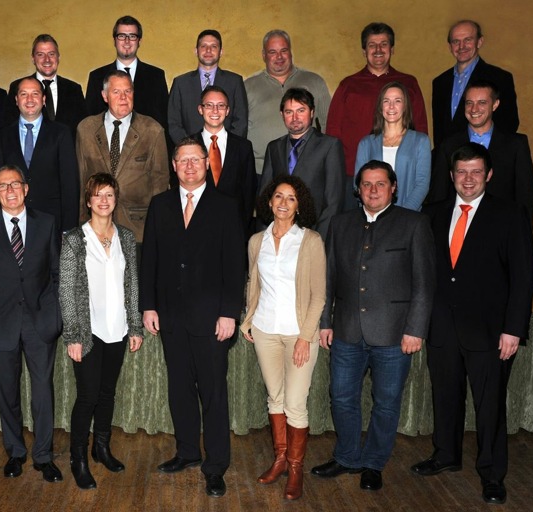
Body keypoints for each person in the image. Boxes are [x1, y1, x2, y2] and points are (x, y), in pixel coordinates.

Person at [412, 144, 533, 505]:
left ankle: (492, 474)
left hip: (491, 331)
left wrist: (514, 329)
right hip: (442, 327)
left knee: (490, 406)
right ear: (452, 176)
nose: (468, 179)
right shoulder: (431, 214)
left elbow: (523, 276)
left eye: (476, 172)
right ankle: (446, 454)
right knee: (445, 396)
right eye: (462, 172)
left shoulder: (510, 214)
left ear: (489, 175)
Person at [311, 161, 435, 491]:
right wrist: (325, 322)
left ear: (393, 187)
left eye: (380, 184)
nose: (373, 190)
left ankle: (373, 463)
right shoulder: (340, 224)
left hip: (395, 335)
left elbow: (424, 283)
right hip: (346, 330)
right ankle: (348, 456)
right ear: (358, 190)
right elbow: (328, 277)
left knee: (386, 402)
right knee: (341, 397)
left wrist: (416, 329)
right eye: (366, 184)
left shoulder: (414, 224)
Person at [140, 138, 245, 498]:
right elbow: (150, 259)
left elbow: (235, 264)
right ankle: (187, 452)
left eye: (195, 160)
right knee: (180, 389)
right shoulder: (160, 205)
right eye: (182, 160)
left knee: (213, 393)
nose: (189, 166)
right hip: (171, 316)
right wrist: (148, 305)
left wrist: (229, 313)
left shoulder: (226, 206)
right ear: (173, 166)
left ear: (206, 163)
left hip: (212, 319)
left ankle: (215, 466)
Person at [0, 165, 63, 483]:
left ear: (26, 188)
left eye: (15, 184)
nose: (10, 191)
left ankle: (44, 456)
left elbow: (56, 273)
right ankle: (16, 452)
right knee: (7, 391)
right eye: (3, 186)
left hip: (40, 322)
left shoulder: (46, 223)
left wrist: (54, 315)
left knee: (42, 391)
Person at [241, 175, 326, 500]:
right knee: (274, 398)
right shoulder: (256, 241)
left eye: (291, 198)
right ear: (269, 201)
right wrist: (248, 320)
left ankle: (295, 468)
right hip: (265, 330)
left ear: (299, 206)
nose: (283, 203)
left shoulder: (310, 241)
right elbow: (254, 283)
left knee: (295, 404)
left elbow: (318, 295)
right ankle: (279, 459)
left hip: (298, 333)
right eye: (278, 196)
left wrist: (305, 337)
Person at [60, 173, 143, 490]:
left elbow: (131, 284)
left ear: (116, 199)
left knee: (108, 393)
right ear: (88, 201)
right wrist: (73, 336)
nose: (104, 200)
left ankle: (102, 447)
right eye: (98, 195)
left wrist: (134, 325)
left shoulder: (126, 237)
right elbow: (66, 291)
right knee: (88, 396)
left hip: (118, 329)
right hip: (88, 331)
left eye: (109, 194)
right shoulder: (74, 239)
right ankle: (78, 458)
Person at [326, 22, 428, 210]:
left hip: (403, 175)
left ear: (392, 49)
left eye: (384, 44)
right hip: (355, 176)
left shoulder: (408, 83)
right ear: (364, 51)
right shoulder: (348, 85)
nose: (378, 50)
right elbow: (333, 132)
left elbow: (420, 127)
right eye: (372, 45)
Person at [77, 69, 169, 243]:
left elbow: (160, 182)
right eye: (116, 92)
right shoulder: (86, 129)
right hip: (96, 227)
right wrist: (82, 224)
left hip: (139, 229)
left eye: (128, 91)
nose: (123, 97)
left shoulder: (152, 130)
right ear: (105, 96)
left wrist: (156, 226)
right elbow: (81, 179)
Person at [427, 80, 533, 223]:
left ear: (495, 105)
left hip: (503, 225)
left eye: (482, 102)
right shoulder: (448, 145)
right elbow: (438, 195)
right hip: (459, 225)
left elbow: (525, 195)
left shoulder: (516, 144)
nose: (474, 109)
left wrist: (524, 230)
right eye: (469, 103)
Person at [0, 76, 80, 233]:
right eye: (24, 94)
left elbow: (70, 183)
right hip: (13, 222)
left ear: (44, 99)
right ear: (16, 100)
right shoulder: (2, 136)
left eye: (35, 94)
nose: (29, 99)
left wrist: (69, 229)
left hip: (52, 222)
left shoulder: (61, 133)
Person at [260, 88, 344, 238]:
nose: (295, 117)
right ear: (282, 115)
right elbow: (265, 196)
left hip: (314, 232)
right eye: (289, 112)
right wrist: (265, 235)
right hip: (278, 234)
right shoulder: (274, 147)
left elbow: (334, 201)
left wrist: (317, 238)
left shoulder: (329, 146)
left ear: (312, 112)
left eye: (301, 110)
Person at [245, 29, 331, 176]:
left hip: (307, 168)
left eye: (283, 50)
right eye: (272, 52)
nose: (279, 57)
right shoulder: (248, 86)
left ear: (291, 52)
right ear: (264, 55)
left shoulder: (314, 81)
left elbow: (328, 124)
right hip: (260, 171)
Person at [432, 20, 518, 149]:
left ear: (479, 42)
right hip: (449, 157)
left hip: (486, 155)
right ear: (450, 46)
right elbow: (439, 130)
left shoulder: (500, 78)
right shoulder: (440, 82)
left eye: (468, 40)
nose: (461, 46)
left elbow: (509, 123)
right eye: (456, 41)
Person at [191, 85, 257, 239]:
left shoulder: (243, 147)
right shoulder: (188, 146)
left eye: (221, 106)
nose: (215, 111)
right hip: (196, 227)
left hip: (233, 229)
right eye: (209, 105)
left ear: (227, 111)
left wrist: (242, 229)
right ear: (200, 109)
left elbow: (249, 192)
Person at [355, 82, 431, 210]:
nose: (391, 106)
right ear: (380, 107)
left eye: (397, 101)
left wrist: (403, 214)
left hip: (408, 214)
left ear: (405, 106)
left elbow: (422, 184)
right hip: (373, 213)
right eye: (386, 101)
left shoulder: (421, 141)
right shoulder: (366, 143)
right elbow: (358, 183)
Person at [85, 15, 169, 129]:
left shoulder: (156, 76)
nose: (127, 41)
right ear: (114, 40)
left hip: (147, 139)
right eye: (121, 36)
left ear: (139, 41)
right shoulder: (97, 77)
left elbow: (163, 119)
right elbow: (91, 121)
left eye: (132, 36)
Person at [167, 29, 248, 145]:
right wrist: (189, 148)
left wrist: (227, 148)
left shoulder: (234, 81)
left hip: (226, 149)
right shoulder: (181, 83)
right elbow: (173, 123)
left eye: (213, 46)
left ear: (221, 52)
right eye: (203, 46)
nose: (208, 50)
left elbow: (241, 122)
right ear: (196, 51)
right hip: (189, 151)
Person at [2, 34, 87, 136]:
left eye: (51, 54)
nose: (47, 60)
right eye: (40, 55)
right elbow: (8, 127)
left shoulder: (74, 89)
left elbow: (83, 129)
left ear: (58, 57)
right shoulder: (17, 87)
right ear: (33, 59)